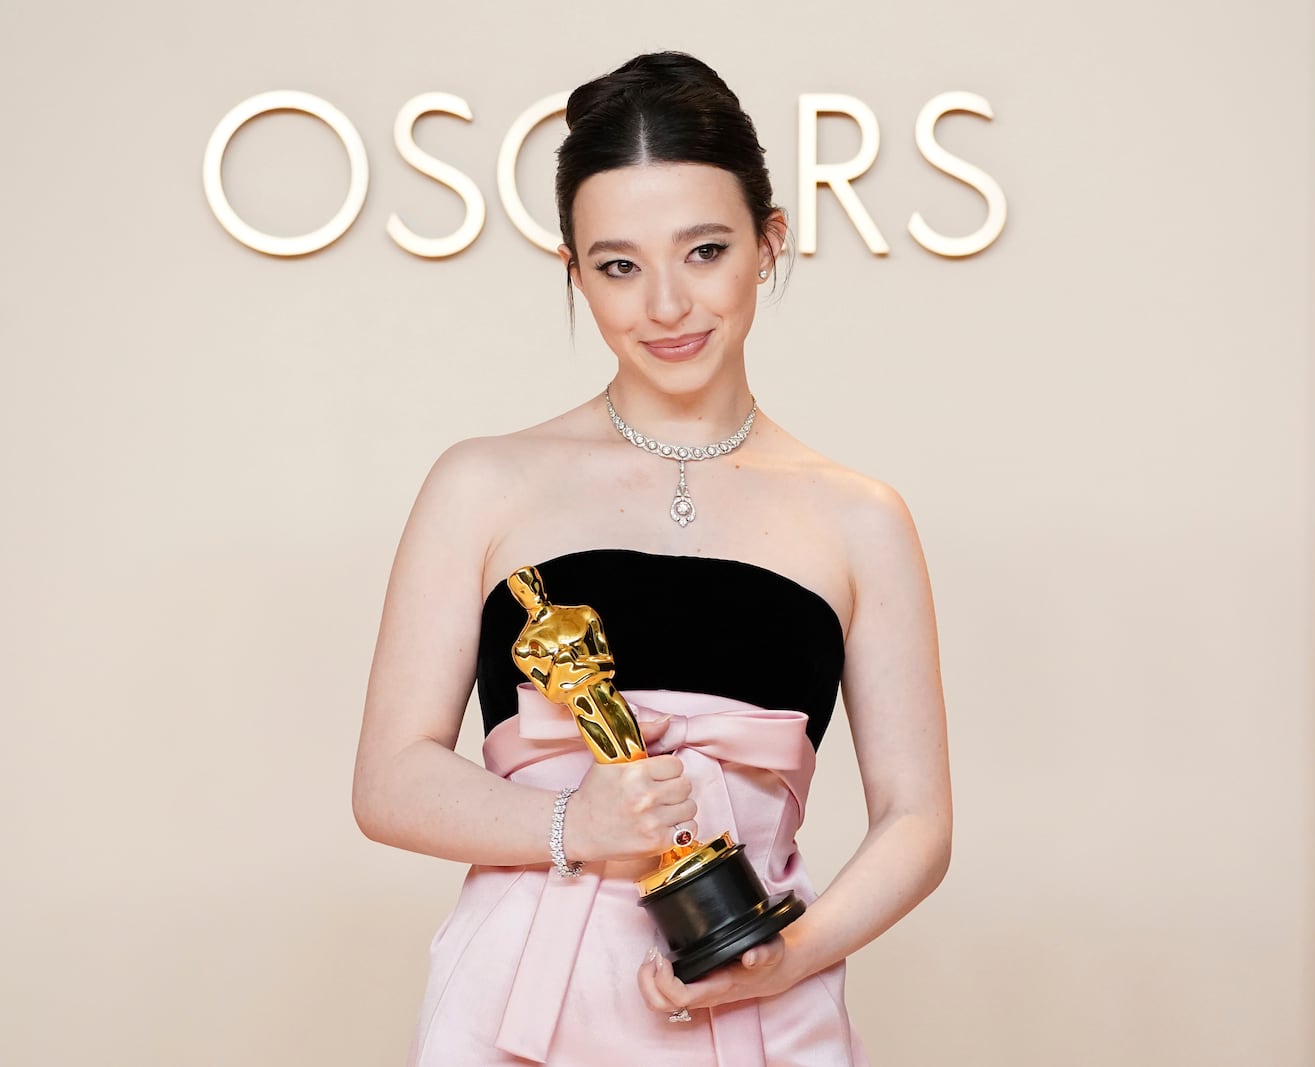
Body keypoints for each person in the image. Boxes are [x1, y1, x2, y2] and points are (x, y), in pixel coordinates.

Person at [351, 51, 952, 1066]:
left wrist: (792, 954)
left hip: (753, 987)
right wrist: (569, 819)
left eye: (704, 250)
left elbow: (916, 817)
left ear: (768, 243)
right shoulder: (482, 483)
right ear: (574, 271)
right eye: (619, 264)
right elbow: (389, 780)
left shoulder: (861, 517)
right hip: (517, 999)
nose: (666, 305)